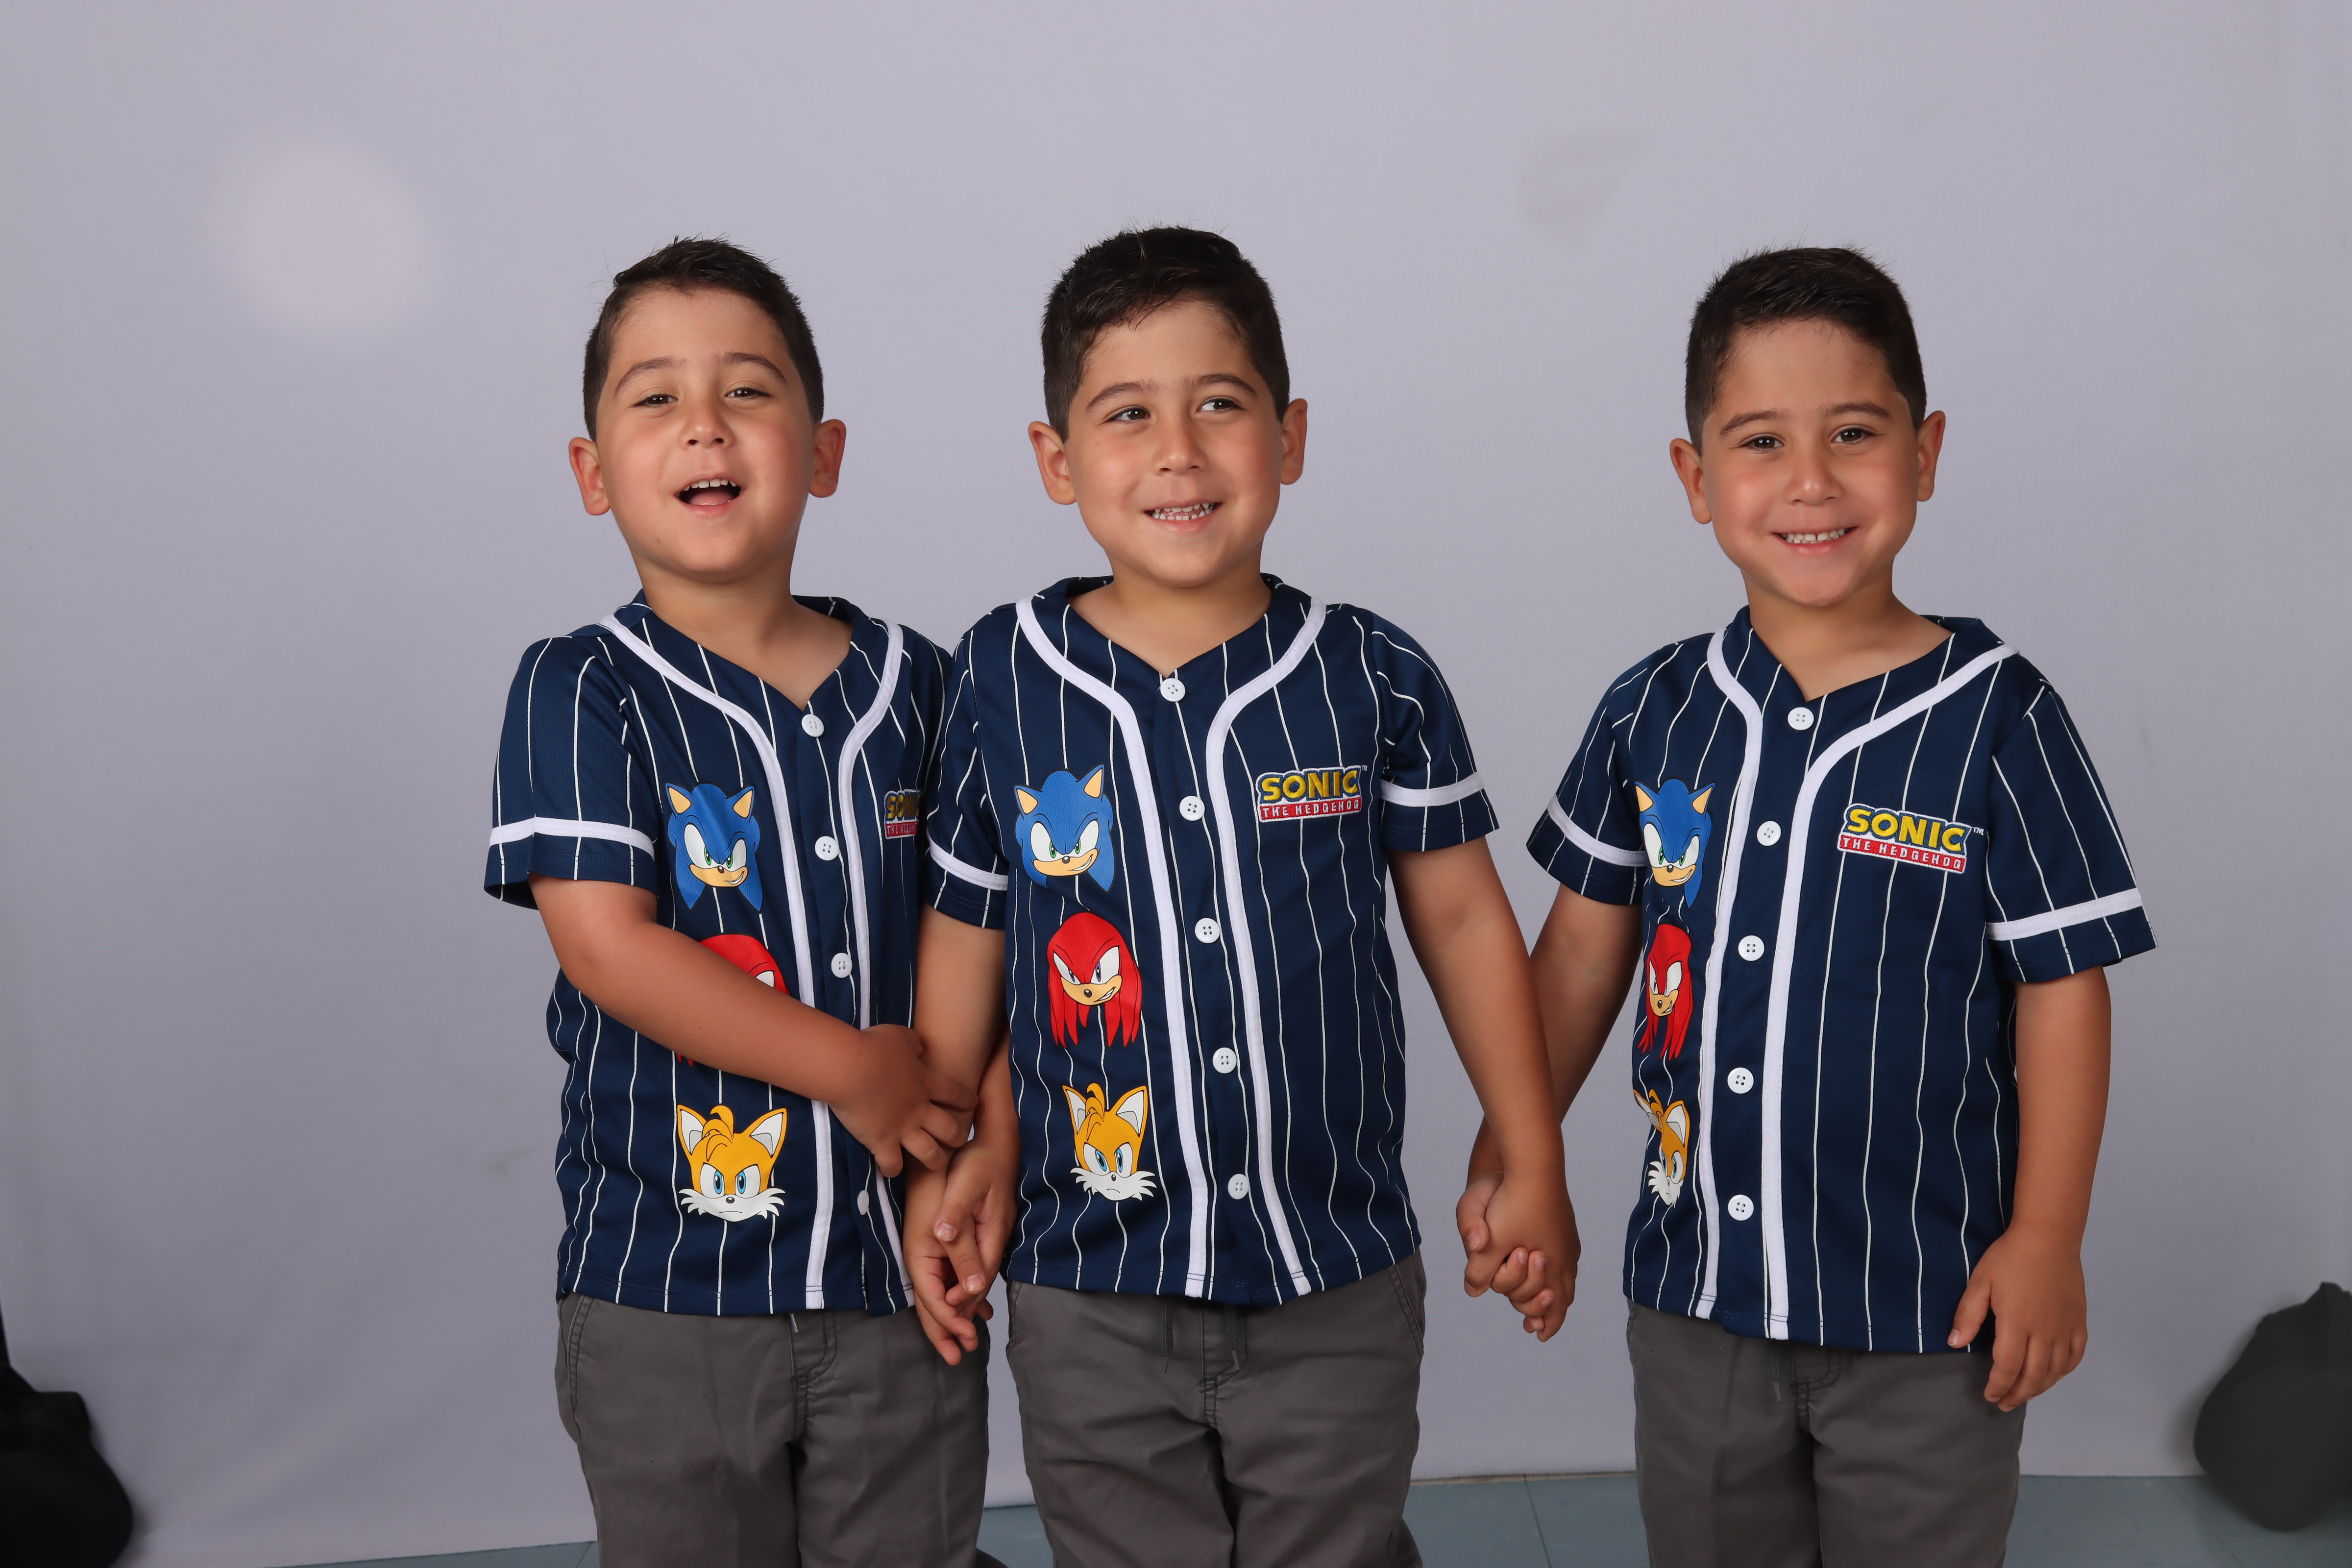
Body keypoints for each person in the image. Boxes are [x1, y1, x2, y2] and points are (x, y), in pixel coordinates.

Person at [1468, 245, 2154, 1566]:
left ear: (1925, 452)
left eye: (1854, 433)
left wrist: (2047, 1237)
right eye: (1761, 441)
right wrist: (1514, 1151)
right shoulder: (1652, 708)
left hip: (1931, 1311)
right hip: (1697, 1303)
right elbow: (1581, 962)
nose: (1812, 482)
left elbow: (2065, 988)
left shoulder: (2002, 717)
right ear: (1696, 479)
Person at [904, 226, 1573, 1568]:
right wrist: (955, 1153)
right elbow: (972, 935)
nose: (1179, 452)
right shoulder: (996, 677)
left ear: (1290, 435)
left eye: (1219, 404)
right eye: (1126, 414)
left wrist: (1532, 1150)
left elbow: (1461, 923)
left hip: (1335, 1272)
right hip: (1089, 1276)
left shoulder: (1372, 674)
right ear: (1056, 460)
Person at [482, 238, 997, 1568]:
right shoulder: (581, 687)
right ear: (593, 473)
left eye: (748, 390)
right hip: (668, 1295)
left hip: (900, 1279)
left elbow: (997, 938)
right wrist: (849, 1069)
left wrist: (975, 1147)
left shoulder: (928, 686)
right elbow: (610, 950)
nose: (704, 423)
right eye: (655, 396)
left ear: (822, 453)